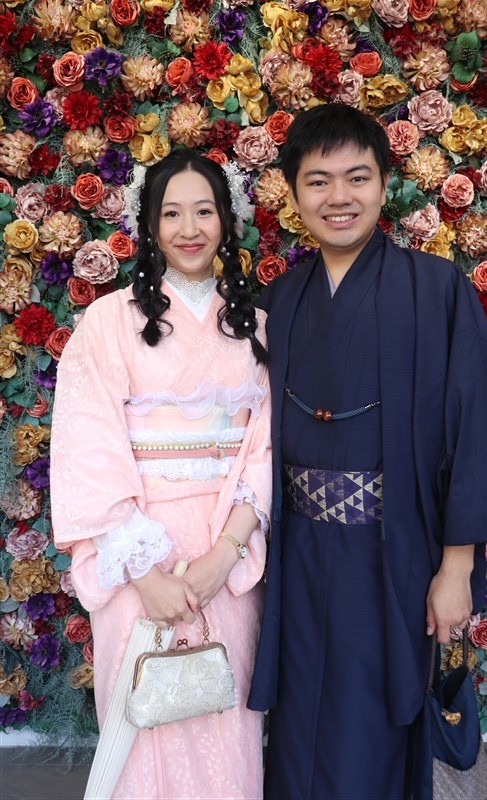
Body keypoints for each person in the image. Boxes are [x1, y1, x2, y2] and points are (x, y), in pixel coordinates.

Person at [247, 104, 487, 800]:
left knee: (369, 729)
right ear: (293, 192)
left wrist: (456, 567)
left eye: (356, 177)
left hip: (392, 552)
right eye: (318, 181)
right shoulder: (281, 299)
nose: (338, 197)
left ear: (383, 184)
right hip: (297, 553)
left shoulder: (436, 290)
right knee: (298, 721)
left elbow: (471, 429)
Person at [51, 151, 271, 800]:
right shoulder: (107, 322)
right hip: (137, 555)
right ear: (148, 225)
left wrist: (224, 554)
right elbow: (88, 448)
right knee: (144, 724)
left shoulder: (254, 327)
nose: (189, 229)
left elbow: (264, 448)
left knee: (227, 721)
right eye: (171, 213)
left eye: (204, 211)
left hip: (224, 555)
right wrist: (146, 573)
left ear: (227, 221)